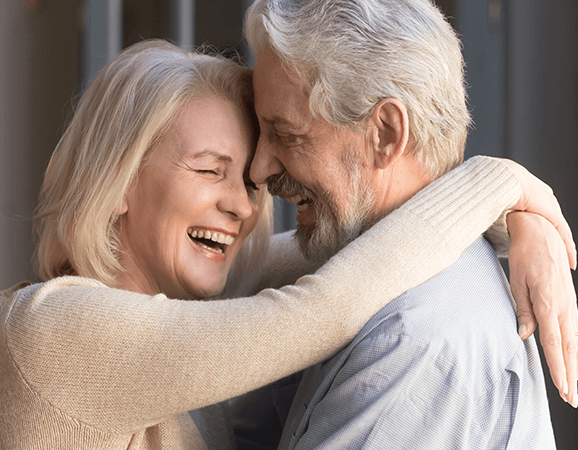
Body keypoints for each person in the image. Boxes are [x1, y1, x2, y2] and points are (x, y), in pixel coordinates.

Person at [0, 39, 573, 450]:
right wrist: (500, 183)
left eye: (248, 181)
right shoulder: (56, 332)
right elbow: (326, 305)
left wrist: (522, 222)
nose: (245, 206)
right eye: (209, 171)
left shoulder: (182, 306)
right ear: (118, 181)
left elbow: (363, 244)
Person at [229, 0, 578, 448]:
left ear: (387, 134)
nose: (258, 170)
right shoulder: (374, 279)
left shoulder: (410, 340)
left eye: (288, 135)